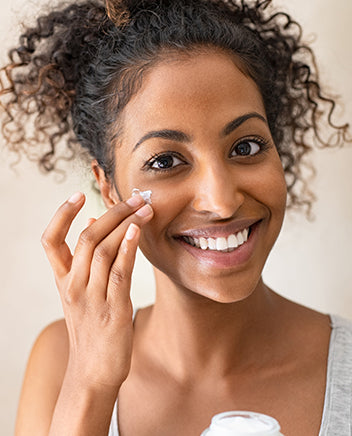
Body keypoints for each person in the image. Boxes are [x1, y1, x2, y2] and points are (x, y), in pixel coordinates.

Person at [1, 0, 351, 435]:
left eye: (245, 147)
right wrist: (90, 384)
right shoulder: (61, 360)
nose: (221, 202)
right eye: (166, 161)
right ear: (108, 186)